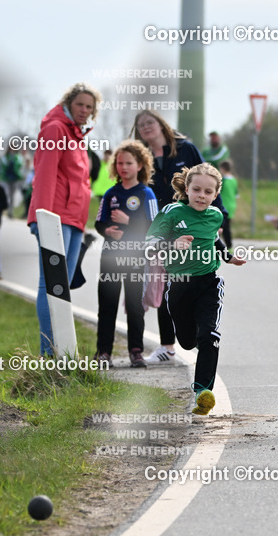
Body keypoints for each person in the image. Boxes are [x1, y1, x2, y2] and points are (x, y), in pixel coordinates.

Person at [131, 109, 231, 364]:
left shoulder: (185, 149)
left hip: (194, 225)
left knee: (189, 282)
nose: (146, 127)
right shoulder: (141, 157)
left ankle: (200, 330)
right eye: (140, 125)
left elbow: (208, 177)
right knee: (165, 287)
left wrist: (218, 214)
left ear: (161, 124)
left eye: (150, 122)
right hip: (161, 229)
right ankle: (167, 346)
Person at [145, 163, 244, 414]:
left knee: (209, 336)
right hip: (179, 285)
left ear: (215, 194)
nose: (202, 195)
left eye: (208, 192)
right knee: (188, 342)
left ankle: (203, 392)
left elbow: (213, 238)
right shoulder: (172, 212)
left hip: (208, 282)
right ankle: (193, 346)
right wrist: (173, 242)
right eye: (197, 189)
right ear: (187, 189)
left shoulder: (215, 216)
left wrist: (228, 256)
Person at [27, 82, 101, 356]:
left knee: (63, 286)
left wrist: (83, 223)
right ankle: (49, 352)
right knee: (51, 285)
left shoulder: (76, 135)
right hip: (54, 218)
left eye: (90, 107)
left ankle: (61, 353)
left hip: (74, 220)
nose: (85, 110)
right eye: (80, 104)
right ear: (69, 103)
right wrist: (42, 218)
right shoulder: (56, 129)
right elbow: (45, 174)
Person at [94, 140, 158, 368]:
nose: (123, 167)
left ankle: (136, 351)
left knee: (134, 305)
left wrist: (129, 222)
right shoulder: (111, 193)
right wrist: (107, 230)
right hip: (110, 257)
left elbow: (154, 226)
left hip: (136, 258)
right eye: (119, 163)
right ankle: (103, 352)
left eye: (129, 163)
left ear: (140, 165)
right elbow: (99, 222)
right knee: (107, 305)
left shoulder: (146, 193)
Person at [218, 160, 238, 248]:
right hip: (232, 205)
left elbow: (217, 193)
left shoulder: (223, 180)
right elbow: (236, 195)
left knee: (221, 228)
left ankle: (227, 247)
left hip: (223, 206)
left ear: (222, 169)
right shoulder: (234, 180)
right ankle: (228, 246)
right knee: (226, 227)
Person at [0, 149, 23, 218]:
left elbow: (19, 166)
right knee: (6, 194)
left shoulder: (18, 157)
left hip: (15, 179)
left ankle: (10, 211)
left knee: (12, 195)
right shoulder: (5, 157)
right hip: (6, 179)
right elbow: (4, 166)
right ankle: (6, 208)